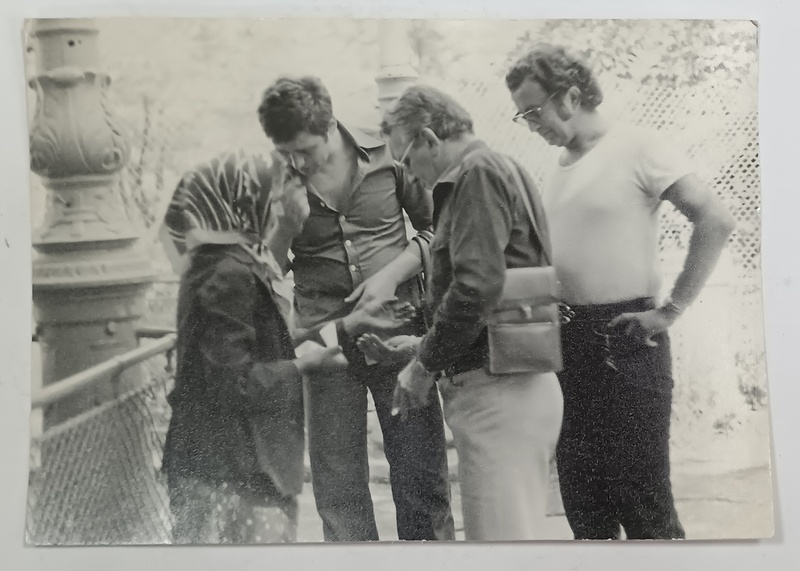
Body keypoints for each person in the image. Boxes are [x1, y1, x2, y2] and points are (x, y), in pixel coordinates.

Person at [505, 43, 736, 540]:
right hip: (567, 342)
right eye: (521, 115)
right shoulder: (561, 164)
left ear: (568, 96)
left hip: (624, 339)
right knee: (584, 503)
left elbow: (714, 219)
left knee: (643, 501)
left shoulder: (639, 146)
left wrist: (670, 310)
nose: (529, 123)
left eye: (533, 110)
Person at [159, 149, 411, 543]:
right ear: (244, 204)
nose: (284, 206)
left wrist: (344, 326)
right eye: (274, 196)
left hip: (236, 465)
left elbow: (258, 347)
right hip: (232, 471)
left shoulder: (228, 261)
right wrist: (308, 366)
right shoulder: (227, 273)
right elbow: (234, 384)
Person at [256, 76, 454, 542]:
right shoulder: (274, 177)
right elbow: (265, 273)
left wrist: (393, 273)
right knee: (338, 491)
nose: (297, 161)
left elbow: (437, 232)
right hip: (326, 345)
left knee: (421, 480)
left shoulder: (388, 152)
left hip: (398, 332)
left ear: (330, 127)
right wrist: (285, 224)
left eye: (306, 149)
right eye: (287, 151)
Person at [372, 84, 564, 541]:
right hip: (506, 387)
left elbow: (477, 285)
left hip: (501, 392)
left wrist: (424, 365)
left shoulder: (475, 173)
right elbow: (491, 293)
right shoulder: (496, 170)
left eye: (406, 161)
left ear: (431, 140)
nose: (410, 177)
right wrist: (421, 345)